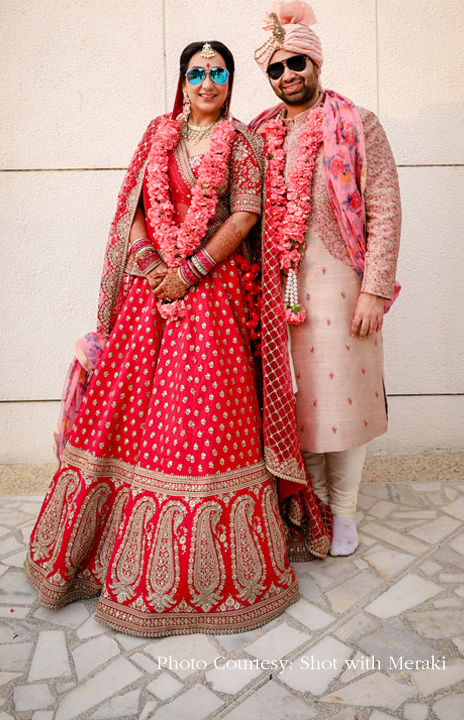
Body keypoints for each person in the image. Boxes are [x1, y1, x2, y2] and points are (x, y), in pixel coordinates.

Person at [25, 40, 300, 636]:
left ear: (230, 82)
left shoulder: (244, 143)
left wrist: (191, 271)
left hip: (213, 294)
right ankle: (97, 563)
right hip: (149, 296)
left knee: (197, 419)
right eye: (197, 72)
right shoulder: (158, 135)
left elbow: (245, 214)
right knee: (123, 411)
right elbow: (140, 209)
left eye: (218, 73)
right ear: (182, 80)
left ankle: (195, 578)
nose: (207, 82)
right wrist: (153, 267)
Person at [251, 0, 401, 557]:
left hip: (341, 281)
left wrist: (375, 290)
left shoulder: (358, 124)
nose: (288, 75)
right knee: (298, 400)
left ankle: (343, 513)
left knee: (344, 401)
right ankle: (309, 506)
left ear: (316, 64)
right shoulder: (259, 132)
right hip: (277, 287)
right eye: (276, 68)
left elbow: (384, 207)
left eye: (297, 64)